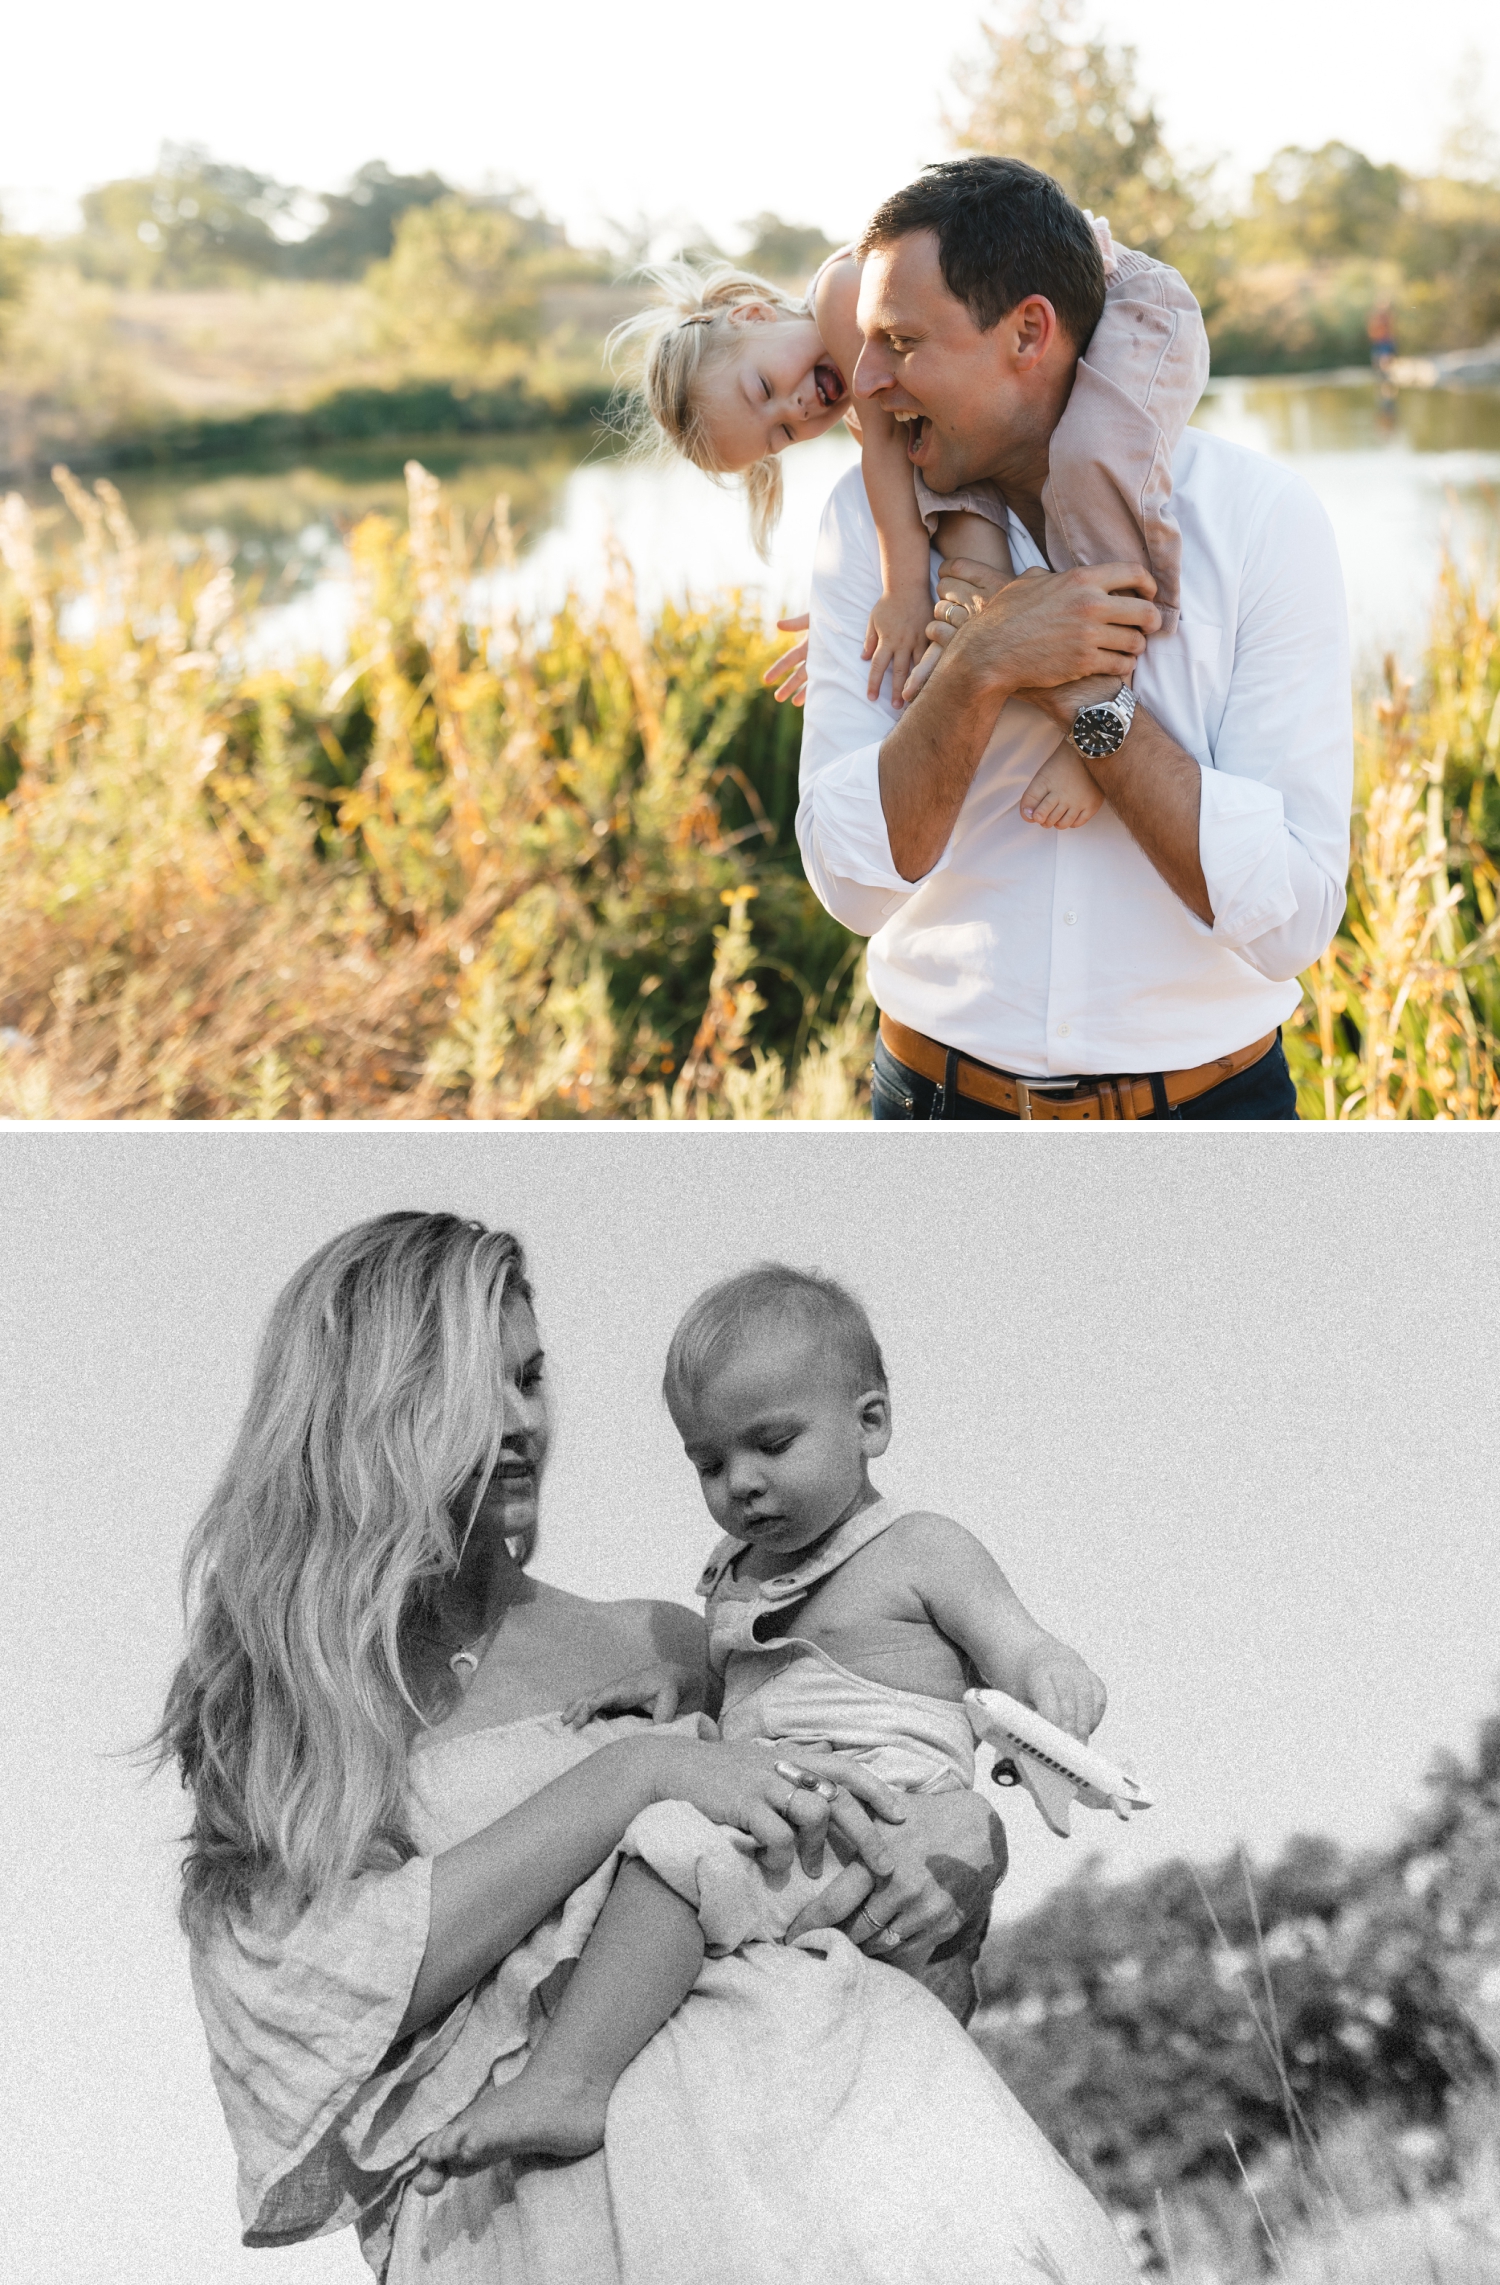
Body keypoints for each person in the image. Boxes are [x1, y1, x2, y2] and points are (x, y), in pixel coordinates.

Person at [161, 1211, 1137, 2284]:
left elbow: (889, 1950)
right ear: (369, 1415)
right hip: (547, 2232)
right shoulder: (293, 1700)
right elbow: (311, 1991)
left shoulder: (670, 1640)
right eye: (472, 1388)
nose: (522, 1421)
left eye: (530, 1377)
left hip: (868, 2154)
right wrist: (635, 1770)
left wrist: (959, 1850)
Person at [410, 1262, 1106, 2186]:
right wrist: (678, 1681)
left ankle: (572, 2076)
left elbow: (1018, 1648)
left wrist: (1050, 1683)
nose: (742, 1481)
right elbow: (738, 1684)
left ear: (872, 1424)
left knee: (672, 1846)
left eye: (771, 1443)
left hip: (869, 1818)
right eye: (709, 1461)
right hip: (801, 1829)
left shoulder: (920, 1548)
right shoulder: (735, 1577)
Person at [796, 157, 1353, 1121]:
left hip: (1208, 1123)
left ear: (1029, 332)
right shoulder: (869, 526)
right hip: (936, 1113)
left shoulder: (1261, 520)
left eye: (901, 341)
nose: (868, 380)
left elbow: (1293, 915)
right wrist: (985, 660)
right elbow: (851, 882)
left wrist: (1088, 705)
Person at [618, 215, 1207, 835]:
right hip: (1048, 342)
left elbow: (884, 457)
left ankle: (1108, 710)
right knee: (942, 477)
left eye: (763, 386)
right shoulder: (896, 403)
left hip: (1123, 304)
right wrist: (873, 614)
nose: (792, 409)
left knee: (1092, 460)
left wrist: (902, 595)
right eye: (782, 434)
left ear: (754, 316)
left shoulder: (840, 292)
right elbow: (937, 490)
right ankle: (1014, 624)